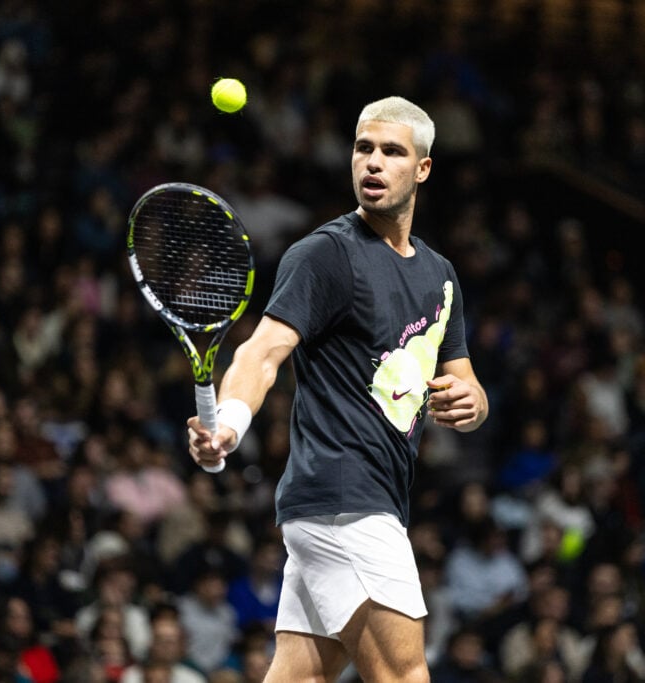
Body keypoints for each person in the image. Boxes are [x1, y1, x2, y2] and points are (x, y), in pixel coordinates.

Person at [188, 96, 488, 682]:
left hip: (354, 505)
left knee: (302, 676)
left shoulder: (440, 274)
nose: (373, 162)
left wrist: (474, 403)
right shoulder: (325, 254)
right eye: (363, 148)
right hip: (345, 500)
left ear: (422, 168)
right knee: (404, 675)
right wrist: (229, 423)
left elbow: (465, 382)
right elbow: (262, 351)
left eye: (392, 152)